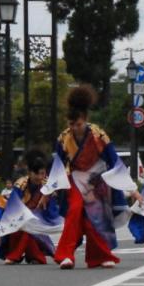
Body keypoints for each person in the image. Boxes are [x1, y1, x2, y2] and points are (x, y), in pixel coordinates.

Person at [47, 85, 136, 270]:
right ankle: (66, 255)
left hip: (96, 180)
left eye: (78, 124)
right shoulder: (64, 138)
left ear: (85, 120)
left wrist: (131, 188)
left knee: (95, 217)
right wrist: (48, 191)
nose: (75, 128)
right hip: (75, 179)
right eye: (71, 124)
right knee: (74, 211)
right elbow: (57, 167)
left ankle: (101, 256)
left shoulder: (98, 135)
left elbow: (114, 160)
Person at [0, 149, 60, 265]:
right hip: (17, 219)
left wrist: (48, 198)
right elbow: (12, 207)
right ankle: (32, 256)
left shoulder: (48, 185)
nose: (40, 177)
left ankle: (16, 256)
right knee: (23, 225)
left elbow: (51, 210)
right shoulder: (21, 184)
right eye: (37, 174)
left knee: (29, 224)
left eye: (43, 173)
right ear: (29, 172)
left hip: (38, 221)